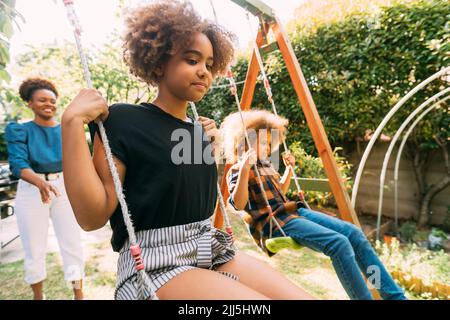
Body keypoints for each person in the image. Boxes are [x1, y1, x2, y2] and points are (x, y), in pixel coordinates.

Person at [61, 0, 315, 300]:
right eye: (192, 60)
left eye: (209, 64)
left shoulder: (199, 133)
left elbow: (194, 194)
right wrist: (71, 124)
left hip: (209, 247)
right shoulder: (124, 121)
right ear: (158, 63)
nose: (204, 72)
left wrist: (209, 148)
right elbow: (92, 217)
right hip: (155, 263)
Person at [222, 109, 407, 300]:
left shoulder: (266, 165)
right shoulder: (237, 170)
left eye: (269, 144)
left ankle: (394, 297)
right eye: (262, 143)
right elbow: (238, 203)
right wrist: (244, 169)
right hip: (275, 223)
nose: (268, 148)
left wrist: (289, 170)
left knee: (354, 234)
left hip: (294, 212)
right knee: (339, 243)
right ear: (243, 141)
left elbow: (280, 194)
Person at [5, 77, 85, 300]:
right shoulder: (20, 131)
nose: (48, 104)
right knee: (34, 247)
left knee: (72, 245)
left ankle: (79, 296)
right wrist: (40, 183)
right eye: (42, 100)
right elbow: (18, 164)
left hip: (63, 187)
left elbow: (78, 160)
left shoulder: (66, 130)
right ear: (29, 103)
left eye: (52, 100)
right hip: (32, 189)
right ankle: (38, 297)